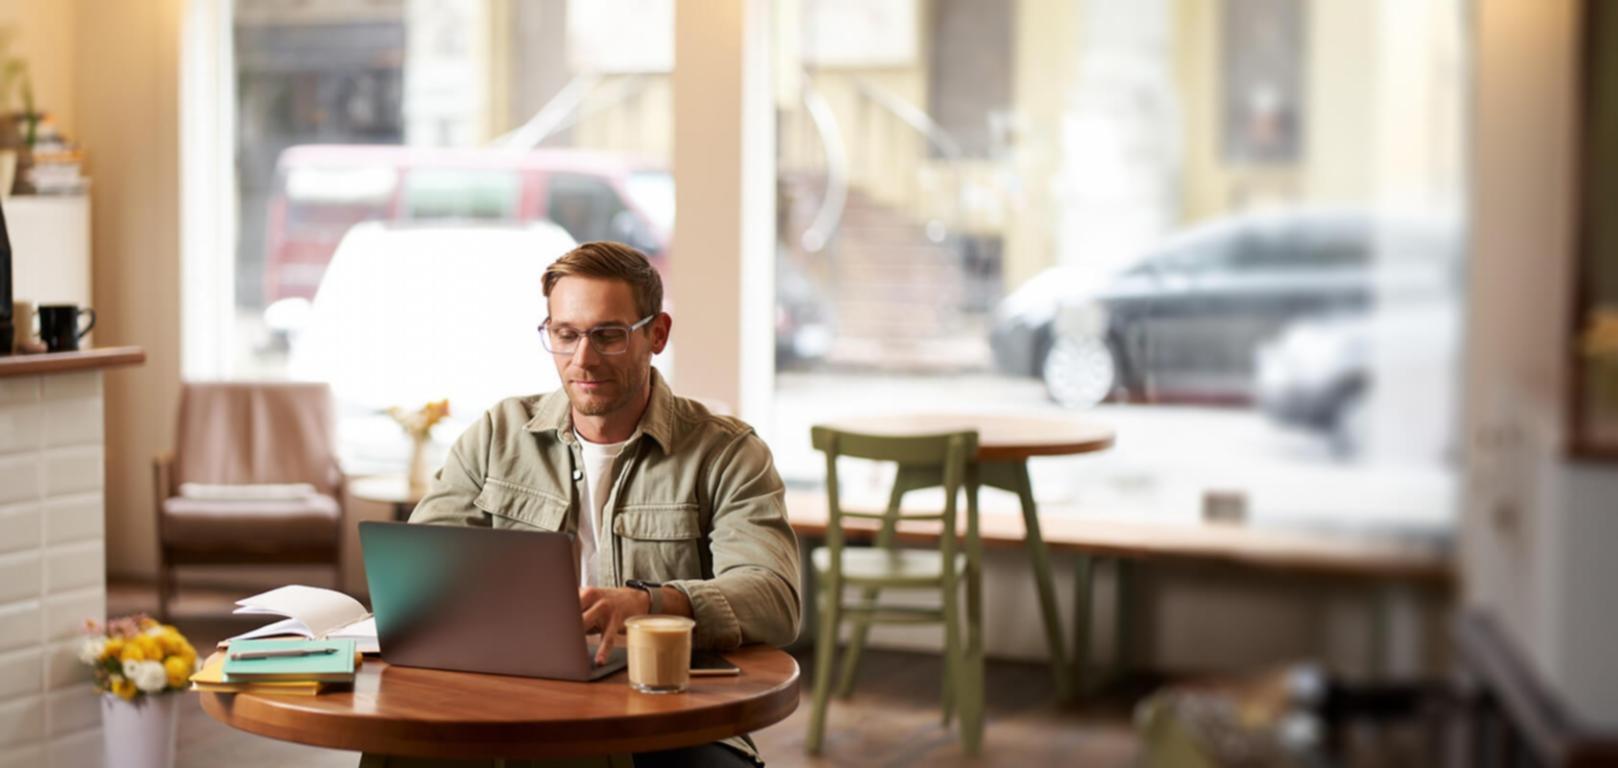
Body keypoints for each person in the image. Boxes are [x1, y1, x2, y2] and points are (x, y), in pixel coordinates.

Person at [410, 241, 800, 767]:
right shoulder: (497, 434)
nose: (583, 359)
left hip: (668, 718)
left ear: (656, 335)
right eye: (565, 335)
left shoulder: (726, 451)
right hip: (509, 704)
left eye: (608, 336)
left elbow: (774, 597)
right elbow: (421, 575)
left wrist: (648, 604)